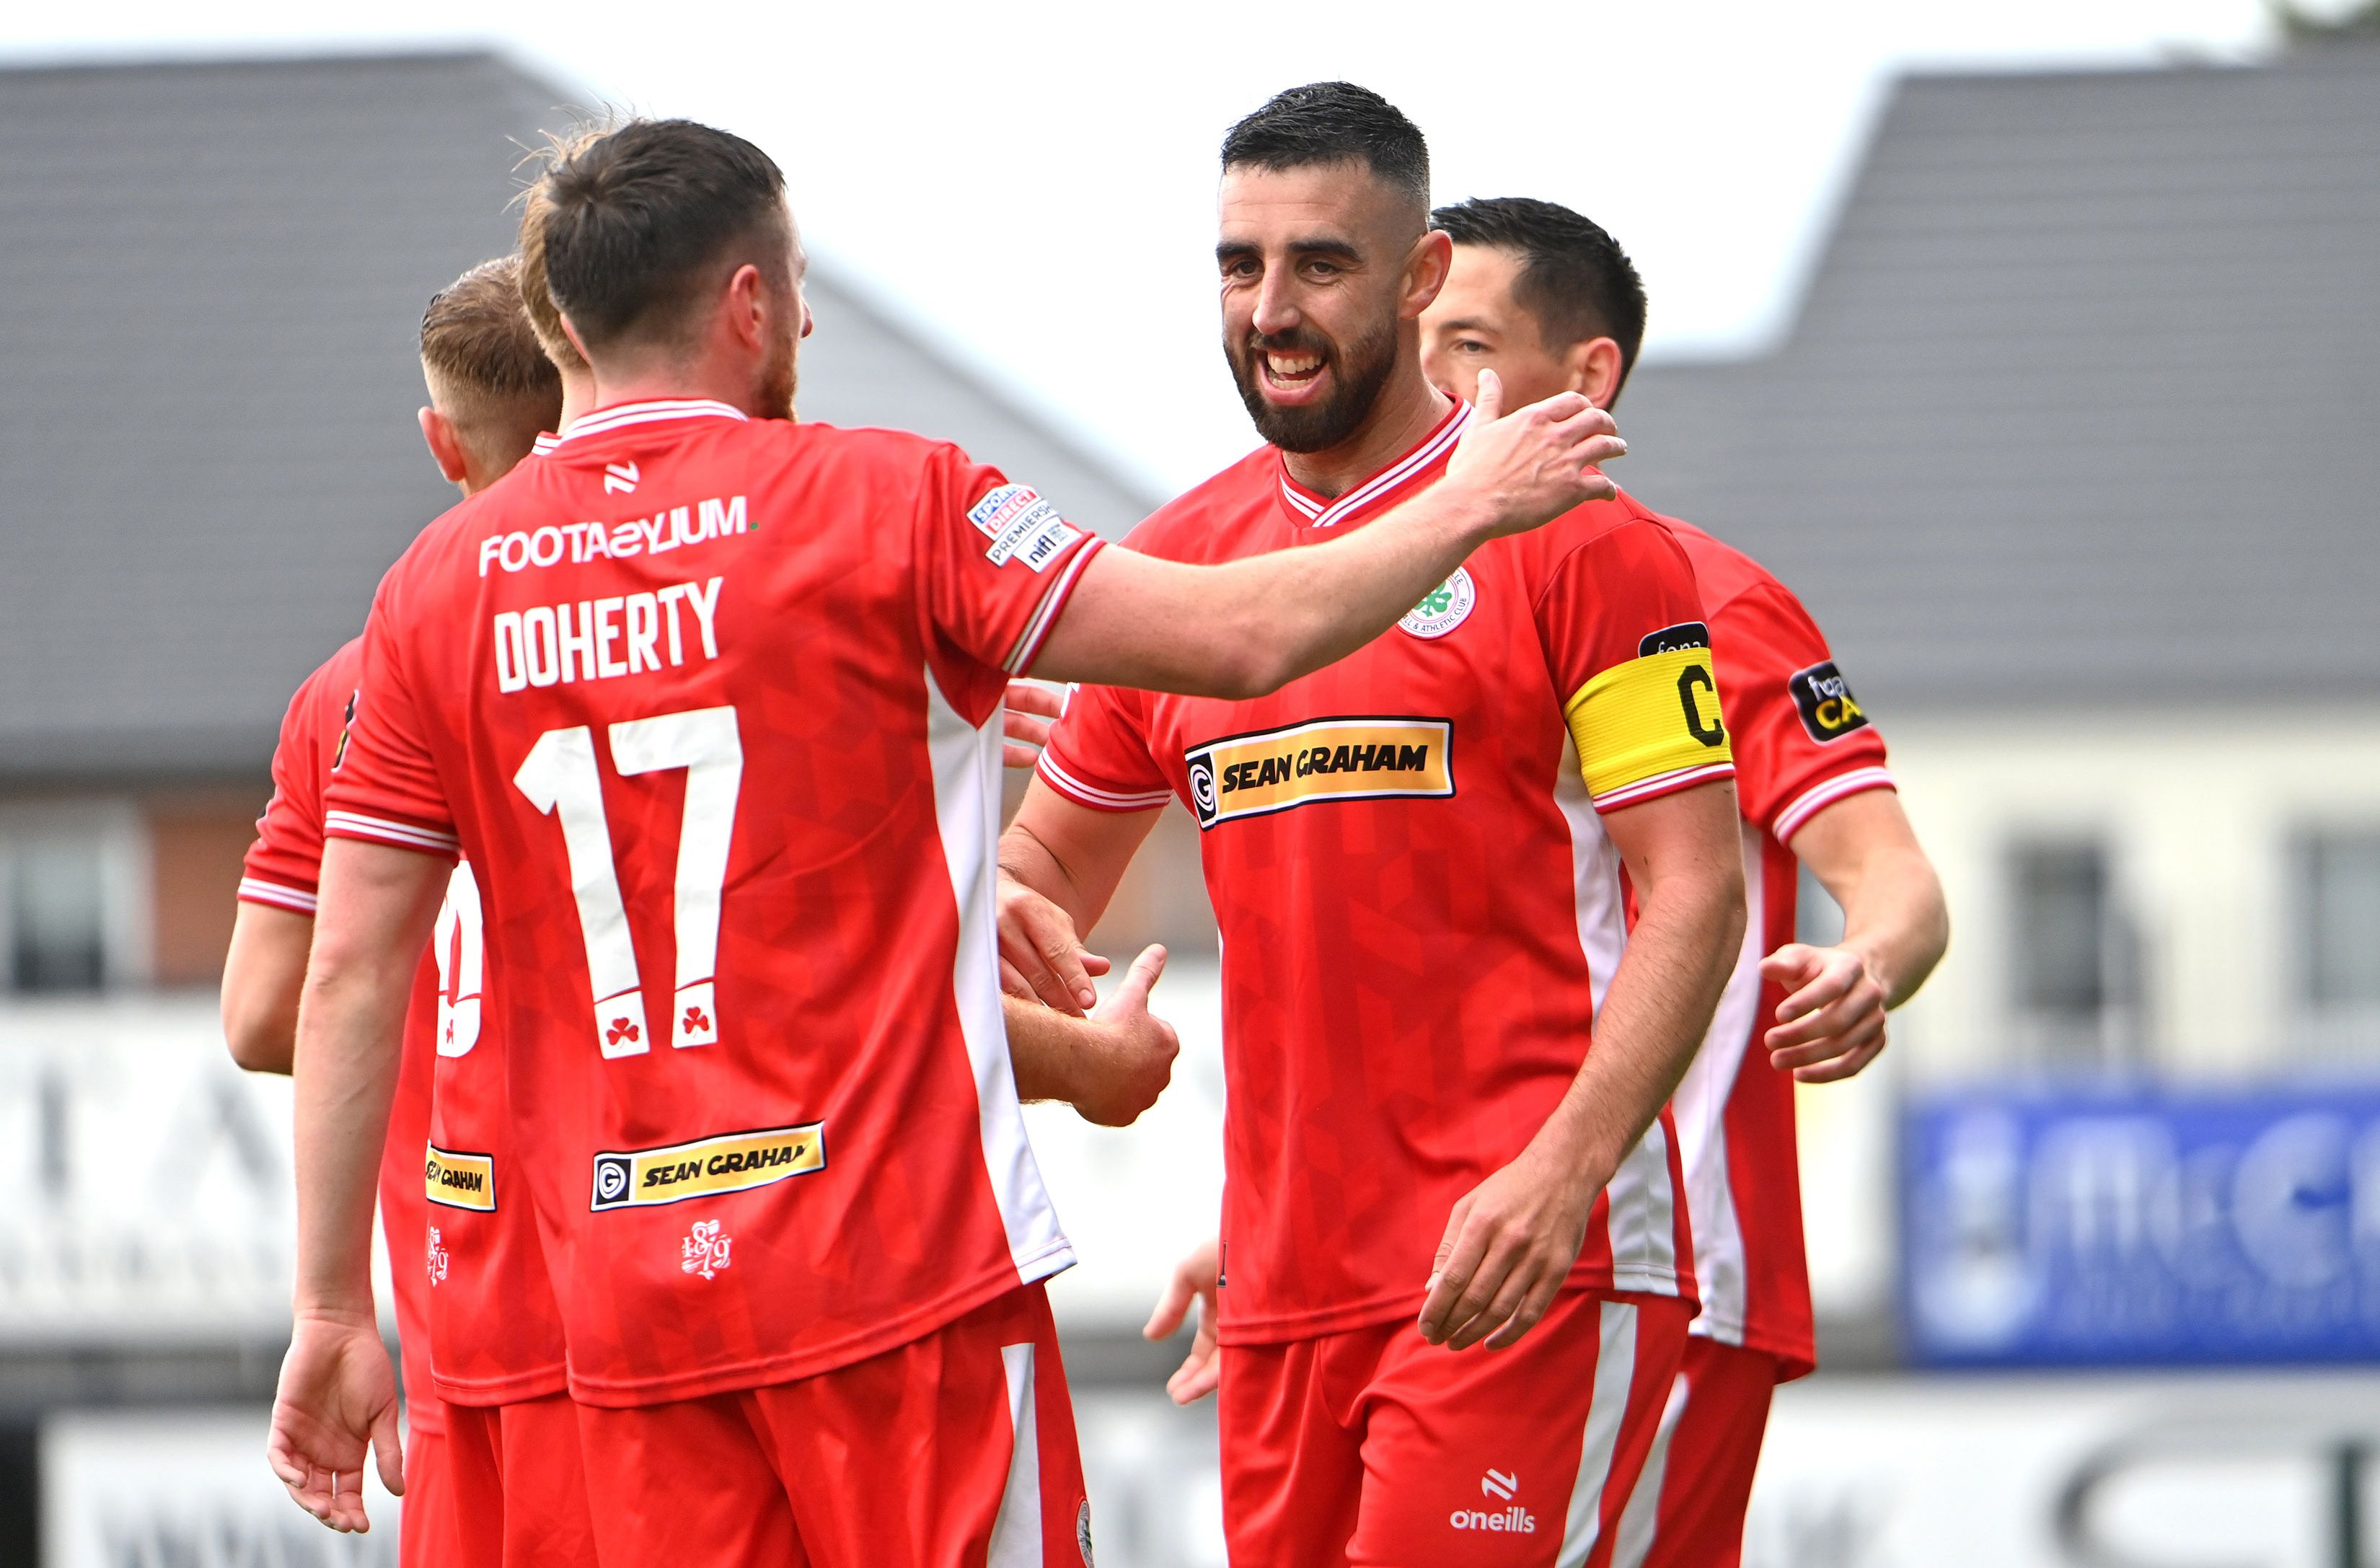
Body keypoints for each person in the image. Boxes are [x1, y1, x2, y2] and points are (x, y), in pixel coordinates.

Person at [265, 115, 1626, 1567]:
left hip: (628, 1313)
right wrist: (1470, 504)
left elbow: (342, 971)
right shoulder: (890, 499)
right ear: (748, 305)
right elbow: (1241, 634)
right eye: (793, 282)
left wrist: (336, 1306)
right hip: (896, 1287)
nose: (803, 314)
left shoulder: (431, 593)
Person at [1002, 84, 1747, 1568]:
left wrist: (1561, 1172)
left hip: (1522, 1266)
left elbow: (1700, 890)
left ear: (1420, 281)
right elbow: (1036, 877)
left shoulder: (1584, 539)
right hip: (1281, 1296)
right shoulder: (1177, 568)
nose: (1270, 309)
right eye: (1239, 265)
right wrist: (1028, 964)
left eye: (1319, 266)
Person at [1419, 195, 1950, 1568]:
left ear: (1586, 377)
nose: (1427, 374)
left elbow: (1893, 876)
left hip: (1665, 1253)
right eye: (1417, 336)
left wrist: (1866, 962)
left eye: (1465, 342)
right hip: (1434, 1264)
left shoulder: (1698, 596)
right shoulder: (1361, 598)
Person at [225, 255, 596, 1567]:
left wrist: (407, 1021)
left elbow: (267, 1010)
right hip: (645, 1301)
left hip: (452, 1320)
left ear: (442, 443)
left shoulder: (350, 684)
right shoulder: (672, 637)